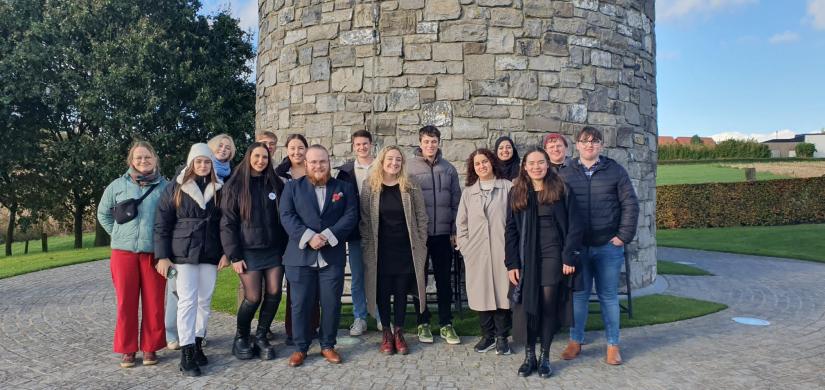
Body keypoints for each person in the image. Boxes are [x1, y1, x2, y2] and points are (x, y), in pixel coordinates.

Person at [558, 126, 639, 366]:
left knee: (609, 297)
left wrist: (623, 236)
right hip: (578, 247)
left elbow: (630, 204)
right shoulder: (567, 173)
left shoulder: (615, 170)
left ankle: (613, 345)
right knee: (579, 297)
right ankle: (576, 341)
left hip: (608, 247)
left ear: (601, 145)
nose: (589, 145)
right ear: (577, 145)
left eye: (594, 141)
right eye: (585, 141)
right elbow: (557, 209)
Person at [504, 147, 583, 378]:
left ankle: (545, 356)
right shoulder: (517, 192)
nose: (536, 167)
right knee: (529, 307)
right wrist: (511, 263)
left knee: (548, 306)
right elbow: (510, 230)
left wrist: (569, 256)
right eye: (532, 163)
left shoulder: (560, 188)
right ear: (525, 167)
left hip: (553, 255)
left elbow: (575, 225)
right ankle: (529, 356)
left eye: (541, 162)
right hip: (526, 257)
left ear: (547, 164)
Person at [279, 145, 358, 367]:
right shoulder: (292, 188)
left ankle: (327, 345)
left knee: (331, 303)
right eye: (313, 162)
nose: (318, 166)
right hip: (300, 255)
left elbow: (351, 215)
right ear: (306, 164)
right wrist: (308, 236)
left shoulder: (344, 188)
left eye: (322, 161)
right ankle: (300, 348)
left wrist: (328, 235)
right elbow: (286, 215)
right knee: (300, 304)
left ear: (328, 163)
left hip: (331, 255)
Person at [154, 143, 226, 377]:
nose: (203, 165)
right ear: (191, 162)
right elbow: (162, 224)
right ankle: (186, 351)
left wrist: (227, 252)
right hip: (183, 251)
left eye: (207, 162)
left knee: (204, 300)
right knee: (187, 301)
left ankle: (197, 342)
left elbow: (225, 224)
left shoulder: (219, 188)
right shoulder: (174, 188)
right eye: (199, 161)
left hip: (210, 251)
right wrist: (162, 256)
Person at [97, 141, 168, 368]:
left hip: (152, 254)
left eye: (147, 157)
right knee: (125, 303)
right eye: (138, 158)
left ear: (155, 159)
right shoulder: (117, 185)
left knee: (154, 303)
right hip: (123, 253)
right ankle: (128, 349)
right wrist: (118, 234)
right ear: (131, 161)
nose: (143, 161)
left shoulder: (165, 187)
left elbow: (170, 218)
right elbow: (103, 214)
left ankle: (150, 347)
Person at [220, 142, 289, 361]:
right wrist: (234, 255)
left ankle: (261, 336)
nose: (261, 161)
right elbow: (227, 224)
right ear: (249, 157)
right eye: (257, 156)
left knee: (275, 292)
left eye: (265, 157)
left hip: (274, 250)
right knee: (253, 297)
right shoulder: (235, 186)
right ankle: (241, 337)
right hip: (247, 251)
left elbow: (284, 217)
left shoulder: (276, 184)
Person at [360, 146, 428, 355]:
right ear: (382, 161)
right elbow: (363, 220)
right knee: (381, 291)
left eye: (398, 160)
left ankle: (399, 332)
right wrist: (366, 245)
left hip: (406, 249)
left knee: (400, 292)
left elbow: (421, 216)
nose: (394, 163)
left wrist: (421, 242)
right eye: (390, 159)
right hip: (380, 250)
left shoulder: (410, 185)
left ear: (402, 163)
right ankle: (386, 333)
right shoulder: (370, 185)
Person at [407, 125, 462, 345]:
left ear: (439, 143)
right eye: (426, 141)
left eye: (434, 141)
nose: (430, 145)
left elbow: (457, 202)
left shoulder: (448, 169)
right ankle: (423, 322)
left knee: (443, 281)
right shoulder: (409, 168)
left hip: (443, 235)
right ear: (420, 143)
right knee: (419, 280)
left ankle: (446, 323)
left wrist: (455, 230)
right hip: (420, 235)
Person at [456, 149, 514, 356]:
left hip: (503, 250)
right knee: (481, 293)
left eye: (485, 161)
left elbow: (516, 219)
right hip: (477, 252)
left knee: (502, 294)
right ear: (473, 168)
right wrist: (465, 246)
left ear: (492, 163)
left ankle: (502, 337)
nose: (482, 166)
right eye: (477, 163)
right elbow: (461, 223)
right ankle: (487, 335)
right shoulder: (468, 193)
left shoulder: (508, 187)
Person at [272, 133, 319, 345]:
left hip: (314, 233)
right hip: (287, 232)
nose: (297, 152)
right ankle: (293, 329)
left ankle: (313, 326)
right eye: (292, 148)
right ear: (287, 150)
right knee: (295, 284)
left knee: (315, 282)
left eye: (301, 148)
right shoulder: (279, 175)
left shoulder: (315, 171)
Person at [335, 129, 374, 336]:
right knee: (358, 276)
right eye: (358, 144)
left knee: (378, 275)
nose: (362, 147)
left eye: (365, 143)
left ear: (371, 144)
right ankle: (360, 317)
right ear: (353, 146)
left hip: (380, 231)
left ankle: (379, 315)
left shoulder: (381, 167)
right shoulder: (345, 172)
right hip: (356, 232)